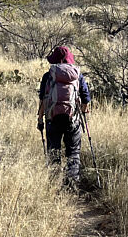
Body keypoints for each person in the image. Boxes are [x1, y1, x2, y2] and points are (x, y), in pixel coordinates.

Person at [38, 46, 91, 190]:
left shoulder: (48, 75)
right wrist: (82, 115)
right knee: (73, 153)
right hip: (72, 120)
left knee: (53, 152)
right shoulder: (78, 75)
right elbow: (86, 98)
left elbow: (43, 99)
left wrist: (40, 119)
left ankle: (54, 185)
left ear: (56, 60)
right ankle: (72, 186)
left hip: (52, 119)